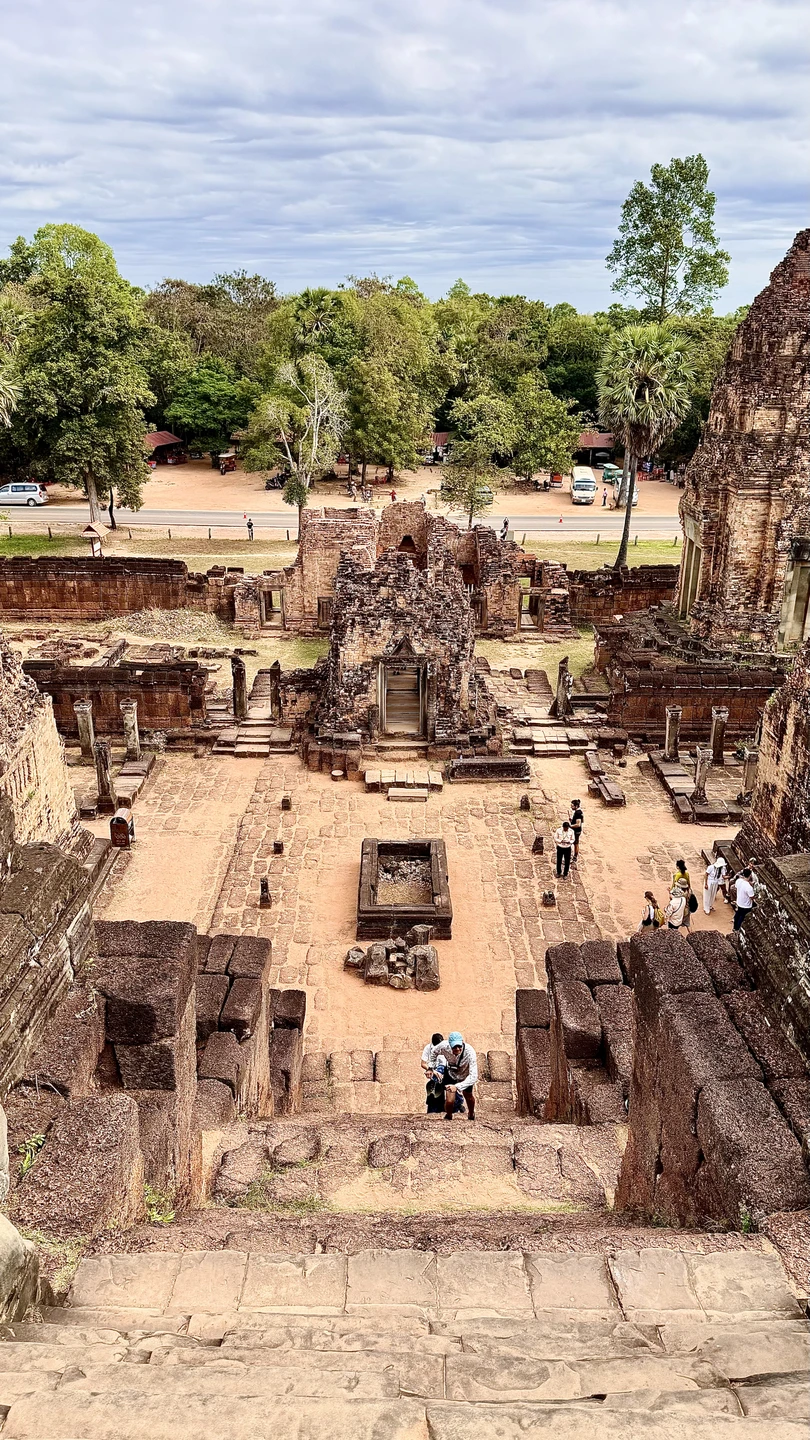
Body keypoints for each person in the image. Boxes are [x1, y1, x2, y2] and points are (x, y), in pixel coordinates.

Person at [438, 1032, 477, 1122]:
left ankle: (471, 1113)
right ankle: (449, 1115)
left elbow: (474, 1076)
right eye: (454, 1047)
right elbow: (433, 1052)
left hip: (465, 1075)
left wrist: (457, 1087)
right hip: (452, 1073)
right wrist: (431, 1067)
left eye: (459, 1046)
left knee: (468, 1096)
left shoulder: (470, 1052)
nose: (457, 1049)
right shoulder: (443, 1046)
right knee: (449, 1100)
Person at [422, 1032, 447, 1115]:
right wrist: (432, 1070)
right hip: (434, 1070)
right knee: (435, 1086)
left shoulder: (446, 1047)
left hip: (445, 1069)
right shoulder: (428, 1048)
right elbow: (423, 1063)